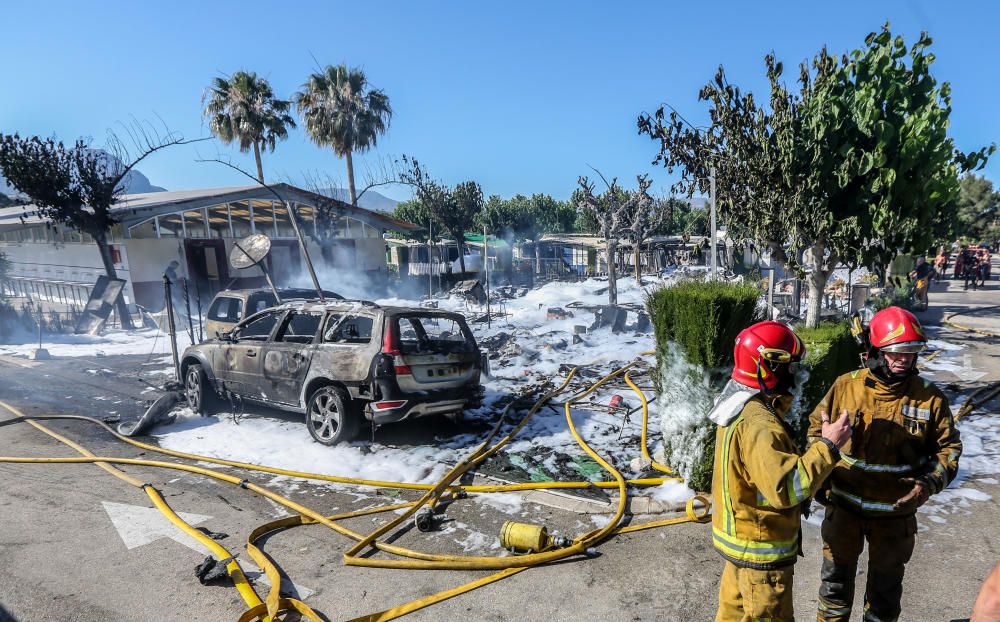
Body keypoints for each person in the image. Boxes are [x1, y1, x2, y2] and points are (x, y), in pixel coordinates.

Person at [808, 306, 962, 622]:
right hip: (845, 512)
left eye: (911, 351)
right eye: (897, 352)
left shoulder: (929, 398)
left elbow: (950, 449)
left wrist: (930, 483)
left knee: (884, 599)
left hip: (894, 518)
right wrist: (820, 473)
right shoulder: (845, 386)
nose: (905, 359)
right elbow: (815, 429)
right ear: (877, 351)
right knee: (834, 590)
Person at [711, 321, 852, 622]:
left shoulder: (737, 405)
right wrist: (829, 445)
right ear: (767, 366)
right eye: (787, 367)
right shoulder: (760, 425)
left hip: (742, 553)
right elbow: (787, 488)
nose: (792, 375)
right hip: (761, 558)